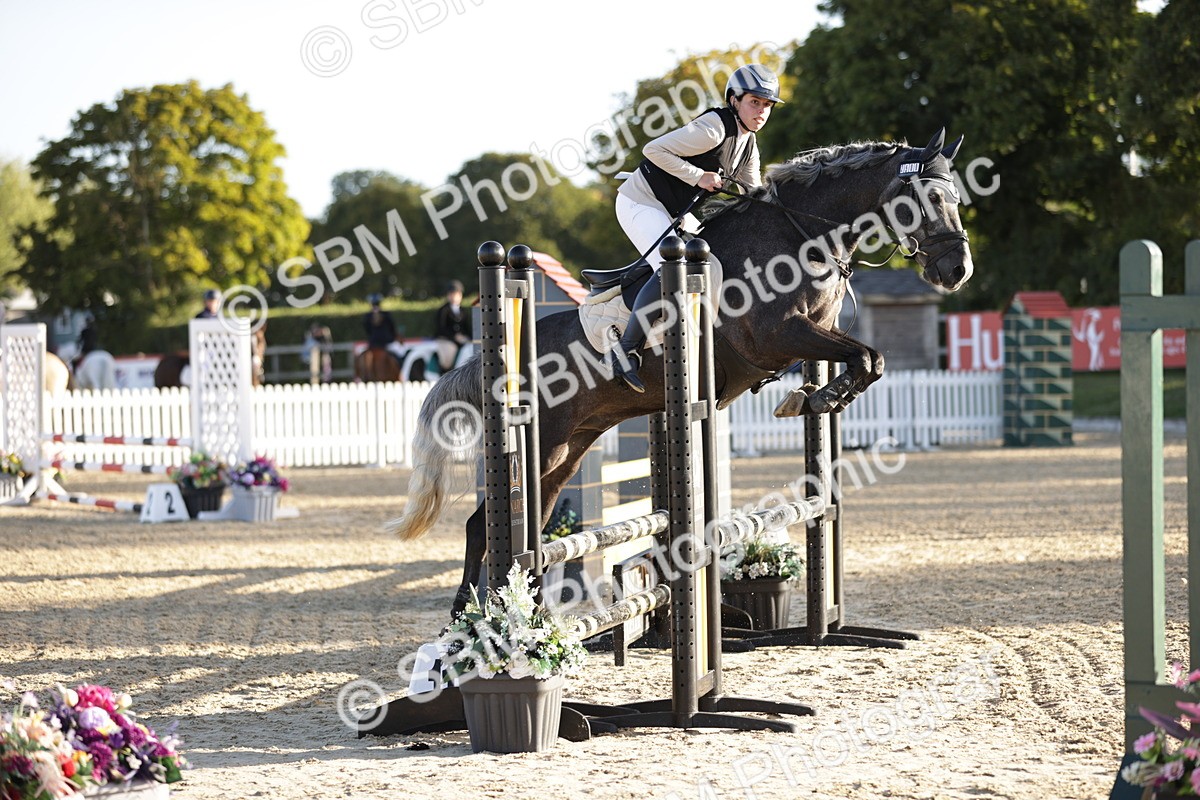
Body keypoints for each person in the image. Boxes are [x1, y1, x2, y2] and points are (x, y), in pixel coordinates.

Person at [610, 63, 783, 393]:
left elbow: (753, 197)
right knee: (675, 268)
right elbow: (653, 150)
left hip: (676, 210)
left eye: (767, 105)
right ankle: (625, 350)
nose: (761, 111)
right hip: (641, 202)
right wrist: (697, 176)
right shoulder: (713, 129)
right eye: (754, 102)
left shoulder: (749, 144)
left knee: (715, 260)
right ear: (734, 100)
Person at [433, 279, 471, 372]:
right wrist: (455, 336)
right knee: (449, 355)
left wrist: (469, 337)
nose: (454, 297)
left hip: (462, 339)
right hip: (446, 339)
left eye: (457, 294)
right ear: (448, 295)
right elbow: (441, 328)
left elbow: (466, 327)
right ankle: (445, 373)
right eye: (452, 294)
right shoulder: (443, 310)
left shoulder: (463, 311)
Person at [363, 293, 403, 367]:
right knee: (400, 356)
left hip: (373, 344)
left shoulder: (367, 316)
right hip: (387, 343)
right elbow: (392, 328)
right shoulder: (387, 314)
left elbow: (367, 330)